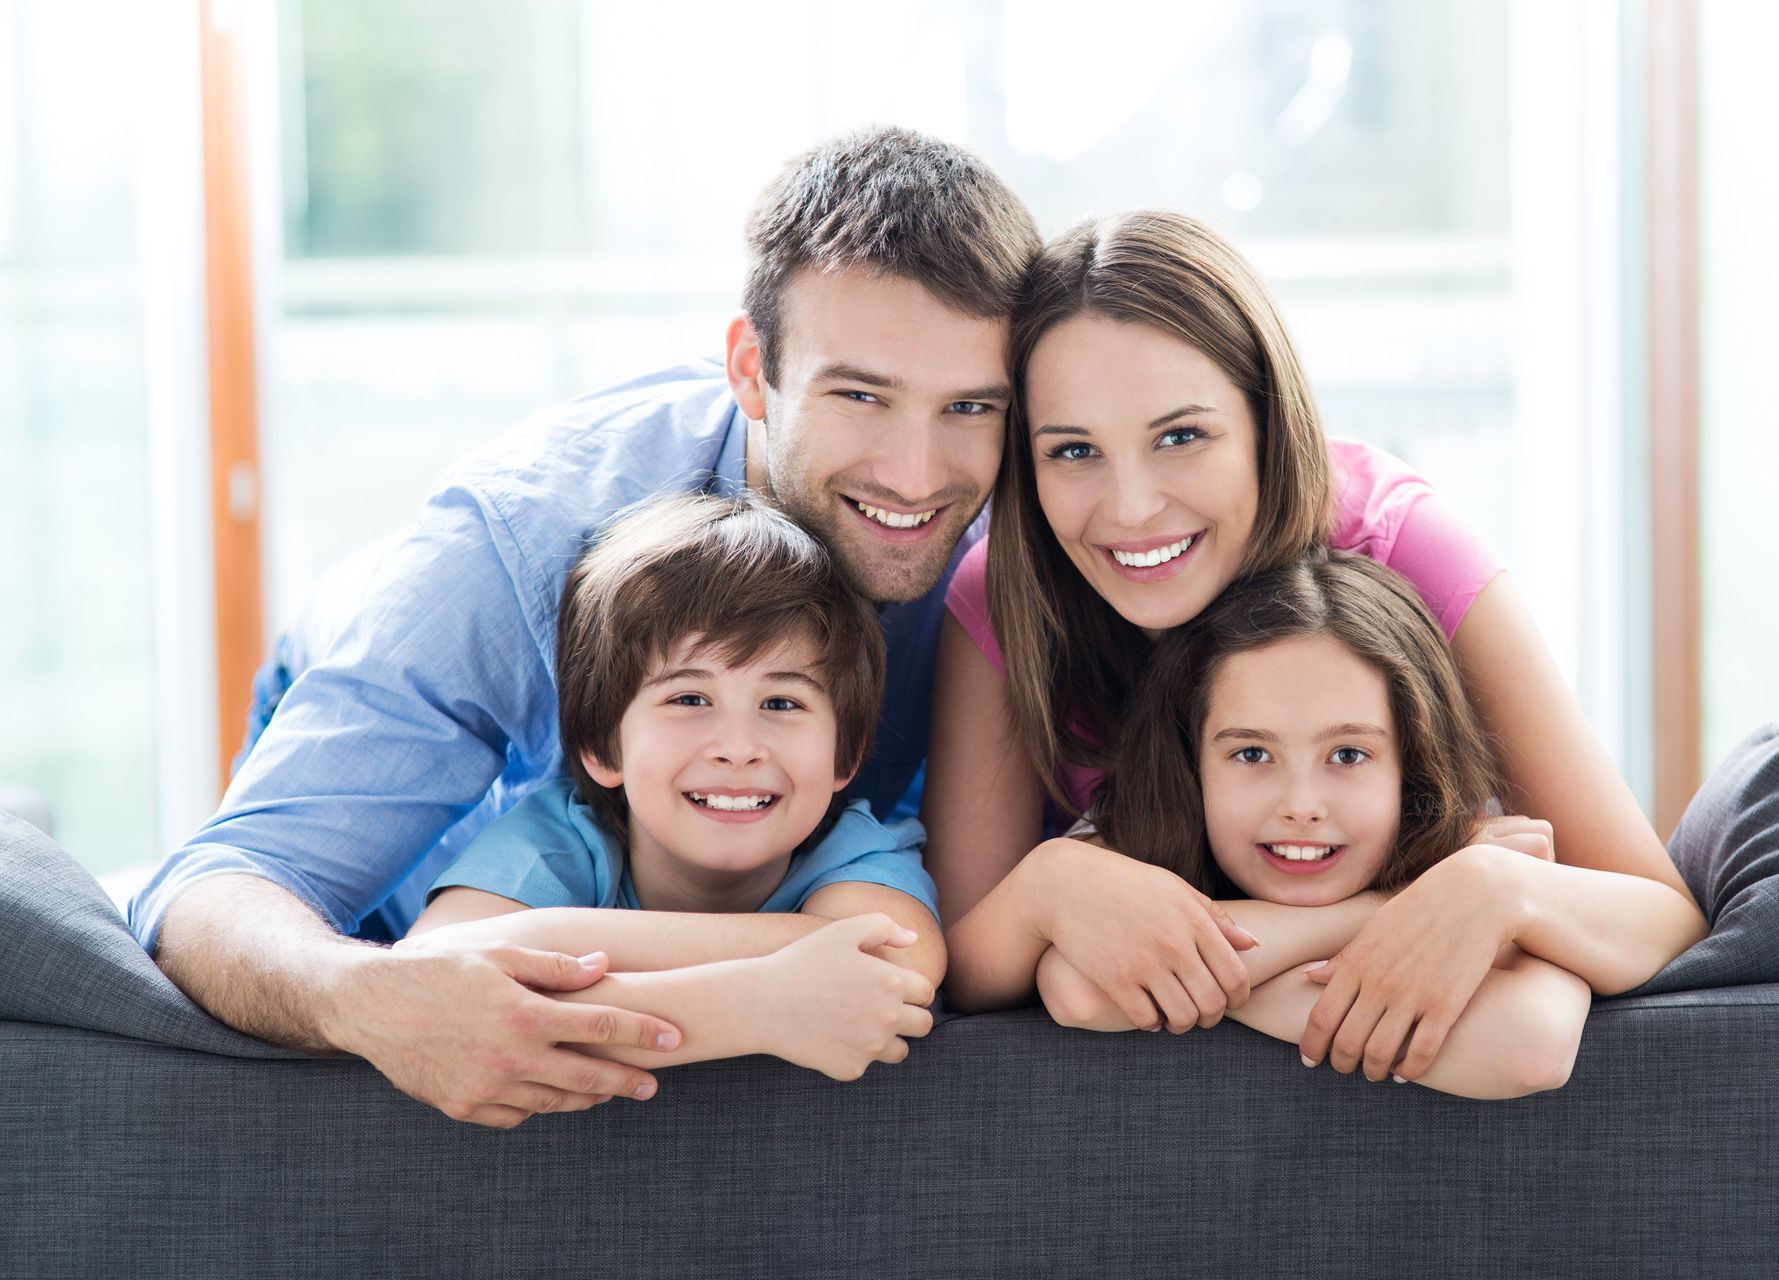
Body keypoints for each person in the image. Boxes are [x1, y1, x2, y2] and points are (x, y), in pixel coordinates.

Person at [129, 126, 1041, 1128]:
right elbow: (216, 892)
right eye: (860, 393)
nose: (917, 474)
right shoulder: (525, 538)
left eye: (969, 406)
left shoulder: (1029, 511)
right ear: (751, 368)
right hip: (451, 812)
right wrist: (370, 996)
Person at [924, 210, 1708, 1086]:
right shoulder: (1007, 594)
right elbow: (967, 971)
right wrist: (1048, 887)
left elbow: (1661, 915)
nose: (1133, 506)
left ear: (1266, 421)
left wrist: (1497, 891)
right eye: (1073, 451)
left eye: (1182, 436)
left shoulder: (1398, 542)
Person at [400, 493, 939, 1083]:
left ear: (847, 753)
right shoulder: (557, 841)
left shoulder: (855, 851)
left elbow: (894, 964)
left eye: (782, 702)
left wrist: (540, 939)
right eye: (689, 699)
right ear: (605, 746)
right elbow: (432, 973)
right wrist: (758, 1004)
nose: (739, 746)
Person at [1034, 555, 1591, 1100]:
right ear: (1192, 765)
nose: (1301, 806)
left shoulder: (1476, 862)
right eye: (1252, 754)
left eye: (1347, 755)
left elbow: (1532, 1044)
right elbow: (1077, 986)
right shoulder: (1137, 840)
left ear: (1411, 768)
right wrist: (1395, 908)